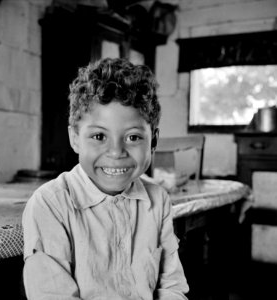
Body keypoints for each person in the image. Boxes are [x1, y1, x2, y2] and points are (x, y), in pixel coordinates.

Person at [22, 57, 189, 300]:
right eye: (99, 136)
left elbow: (171, 287)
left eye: (133, 137)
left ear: (153, 141)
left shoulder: (158, 200)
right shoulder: (51, 205)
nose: (116, 152)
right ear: (75, 138)